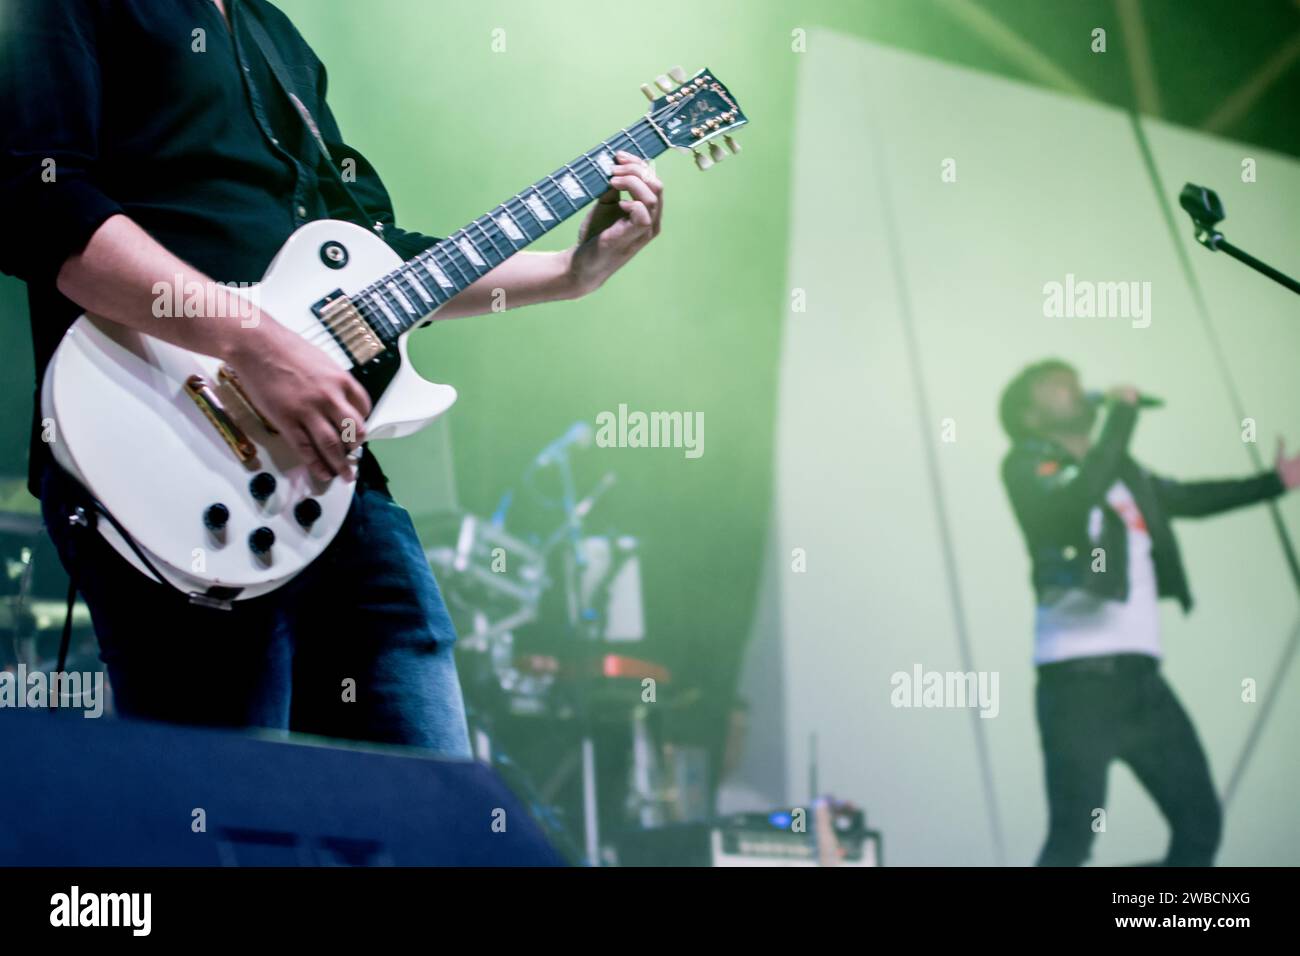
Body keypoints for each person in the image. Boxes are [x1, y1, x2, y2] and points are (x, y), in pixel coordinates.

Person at [0, 0, 664, 755]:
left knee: (421, 807)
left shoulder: (276, 37)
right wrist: (254, 344)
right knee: (227, 815)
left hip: (331, 477)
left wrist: (572, 273)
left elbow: (381, 264)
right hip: (161, 452)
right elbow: (39, 202)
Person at [998, 359, 1300, 865]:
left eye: (1074, 379)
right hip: (1077, 684)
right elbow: (1075, 502)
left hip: (1142, 680)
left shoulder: (1121, 470)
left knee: (1200, 826)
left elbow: (1187, 497)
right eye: (1053, 385)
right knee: (1073, 838)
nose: (1072, 386)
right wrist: (1122, 415)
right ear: (1029, 417)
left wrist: (1274, 483)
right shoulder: (1025, 466)